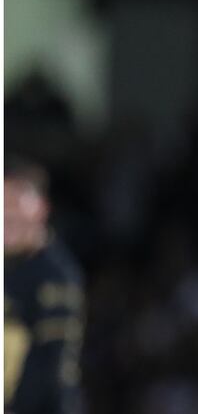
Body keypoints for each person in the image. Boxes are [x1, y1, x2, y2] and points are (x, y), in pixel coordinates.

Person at [4, 157, 85, 414]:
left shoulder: (56, 276)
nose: (7, 215)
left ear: (41, 208)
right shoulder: (10, 264)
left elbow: (54, 368)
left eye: (16, 204)